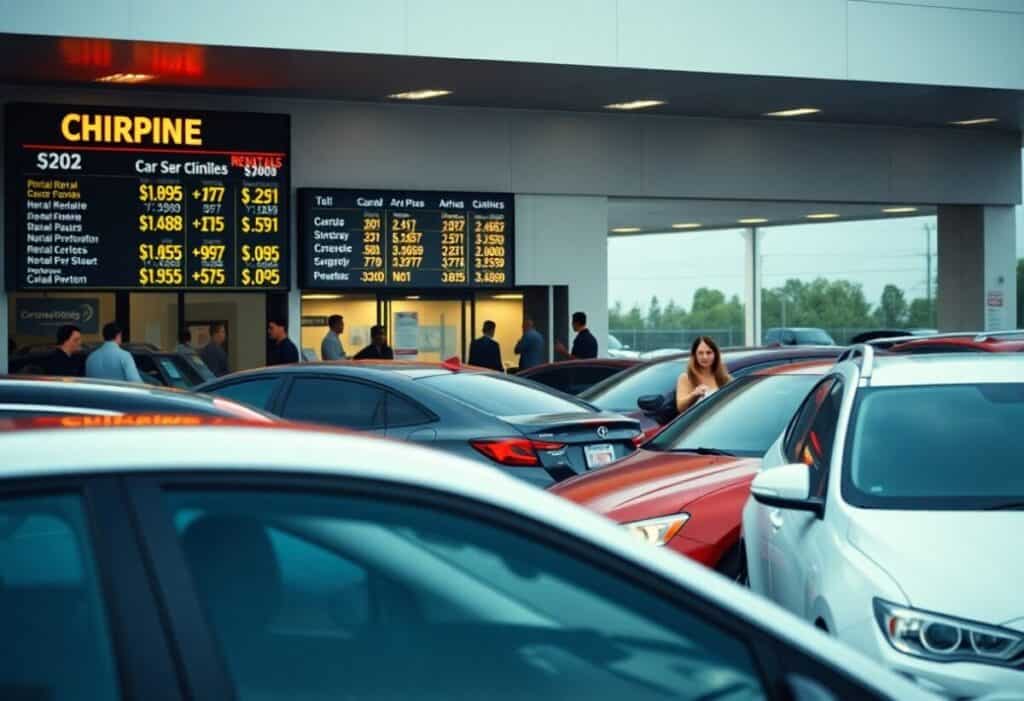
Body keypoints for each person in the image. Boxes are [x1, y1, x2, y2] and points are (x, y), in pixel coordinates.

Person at [675, 335, 732, 413]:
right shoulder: (686, 378)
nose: (705, 357)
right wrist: (694, 395)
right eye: (700, 353)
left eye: (709, 353)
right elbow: (680, 407)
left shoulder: (725, 378)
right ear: (694, 355)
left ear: (715, 354)